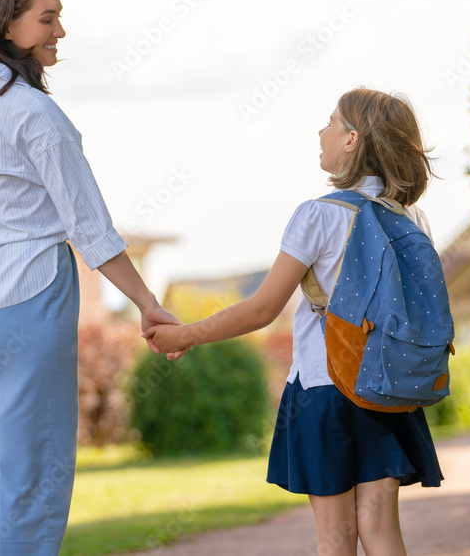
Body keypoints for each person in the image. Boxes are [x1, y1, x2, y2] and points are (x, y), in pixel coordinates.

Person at [0, 0, 180, 556]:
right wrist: (147, 303)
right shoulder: (35, 114)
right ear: (7, 23)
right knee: (30, 482)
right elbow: (90, 228)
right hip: (28, 300)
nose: (60, 31)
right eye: (48, 18)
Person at [148, 87, 444, 556]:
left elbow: (262, 309)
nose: (321, 131)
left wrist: (183, 334)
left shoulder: (317, 215)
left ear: (353, 138)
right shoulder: (414, 218)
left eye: (331, 121)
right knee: (382, 527)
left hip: (325, 386)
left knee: (335, 536)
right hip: (390, 389)